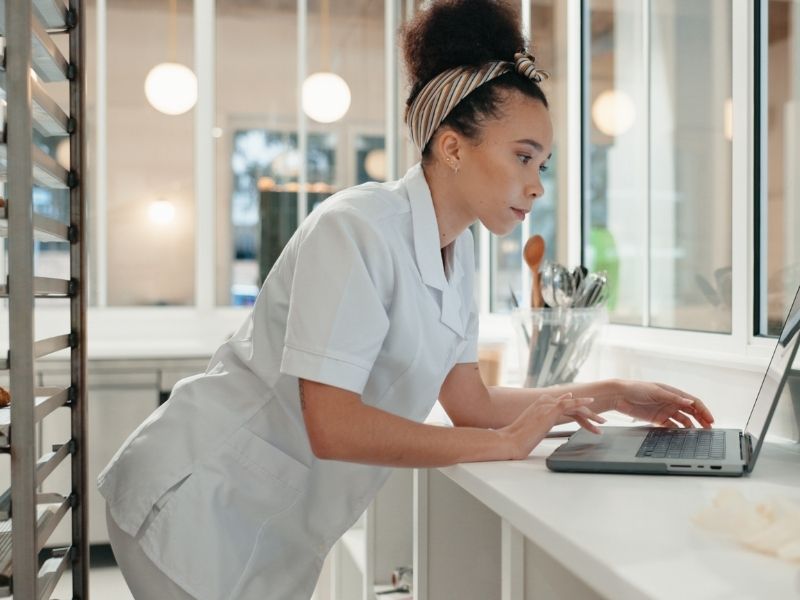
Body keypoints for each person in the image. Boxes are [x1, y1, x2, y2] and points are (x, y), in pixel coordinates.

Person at [98, 1, 715, 598]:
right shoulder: (356, 228)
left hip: (267, 523)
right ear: (451, 147)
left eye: (543, 165)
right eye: (523, 157)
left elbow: (469, 402)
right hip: (194, 501)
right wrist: (505, 443)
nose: (535, 184)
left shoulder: (462, 250)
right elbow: (333, 424)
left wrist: (605, 395)